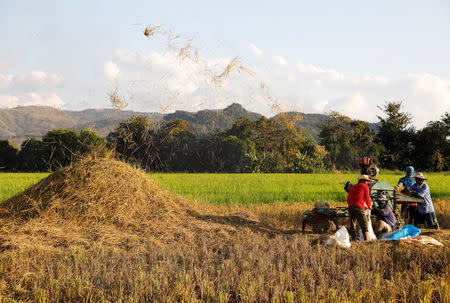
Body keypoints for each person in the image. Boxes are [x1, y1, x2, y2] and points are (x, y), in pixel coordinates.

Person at [347, 175, 373, 241]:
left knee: (353, 224)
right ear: (362, 180)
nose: (367, 182)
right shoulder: (365, 186)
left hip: (350, 206)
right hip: (358, 206)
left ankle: (353, 240)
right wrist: (369, 206)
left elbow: (348, 198)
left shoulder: (352, 187)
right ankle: (366, 241)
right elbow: (367, 198)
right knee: (364, 224)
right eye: (366, 181)